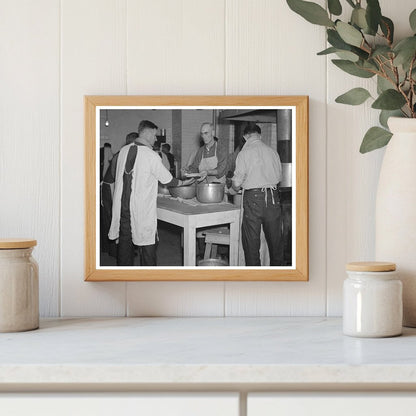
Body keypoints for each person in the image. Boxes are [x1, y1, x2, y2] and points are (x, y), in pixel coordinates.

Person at [108, 120, 192, 266]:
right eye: (154, 135)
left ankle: (123, 280)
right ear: (146, 133)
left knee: (124, 248)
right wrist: (184, 183)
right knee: (147, 248)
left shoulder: (123, 151)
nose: (155, 139)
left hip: (122, 209)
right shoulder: (151, 155)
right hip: (141, 211)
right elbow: (168, 180)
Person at [228, 123, 283, 266]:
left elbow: (237, 183)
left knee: (251, 244)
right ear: (260, 135)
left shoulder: (244, 153)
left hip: (253, 200)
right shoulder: (272, 151)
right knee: (276, 244)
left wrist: (233, 187)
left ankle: (254, 280)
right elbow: (279, 177)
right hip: (273, 198)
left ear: (245, 136)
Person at [101, 132, 138, 257]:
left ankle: (118, 249)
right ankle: (115, 251)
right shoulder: (122, 154)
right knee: (113, 218)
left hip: (112, 186)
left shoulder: (127, 152)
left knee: (115, 218)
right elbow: (115, 178)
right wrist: (115, 199)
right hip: (109, 187)